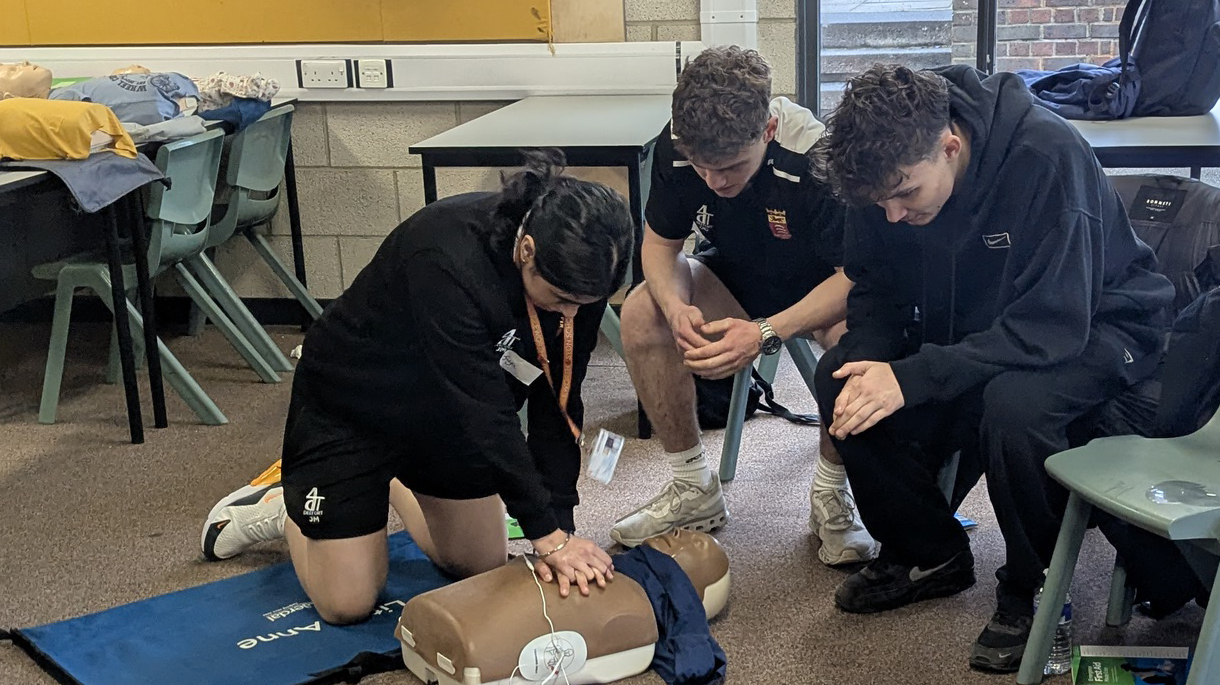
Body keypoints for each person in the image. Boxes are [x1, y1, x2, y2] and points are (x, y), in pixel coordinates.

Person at [814, 64, 1174, 672]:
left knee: (1014, 407)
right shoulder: (880, 168)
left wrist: (913, 377)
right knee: (842, 375)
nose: (893, 214)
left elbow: (1052, 328)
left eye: (906, 195)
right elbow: (876, 287)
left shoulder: (1046, 156)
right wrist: (873, 356)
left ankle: (1032, 590)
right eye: (880, 202)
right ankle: (928, 553)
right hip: (984, 326)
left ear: (950, 146)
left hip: (1100, 325)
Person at [199, 152, 635, 624]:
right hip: (355, 409)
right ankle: (285, 508)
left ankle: (389, 483)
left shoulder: (582, 275)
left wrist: (560, 527)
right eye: (563, 300)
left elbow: (559, 399)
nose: (571, 315)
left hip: (444, 417)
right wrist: (544, 535)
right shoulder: (446, 255)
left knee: (479, 566)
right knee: (348, 604)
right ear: (527, 250)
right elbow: (488, 414)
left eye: (585, 304)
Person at [608, 45, 879, 566]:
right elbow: (661, 245)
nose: (715, 182)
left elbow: (855, 276)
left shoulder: (814, 158)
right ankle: (693, 487)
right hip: (733, 275)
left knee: (858, 341)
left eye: (731, 167)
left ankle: (830, 494)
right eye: (703, 169)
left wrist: (765, 332)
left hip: (819, 287)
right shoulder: (677, 144)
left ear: (768, 130)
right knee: (642, 311)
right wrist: (676, 307)